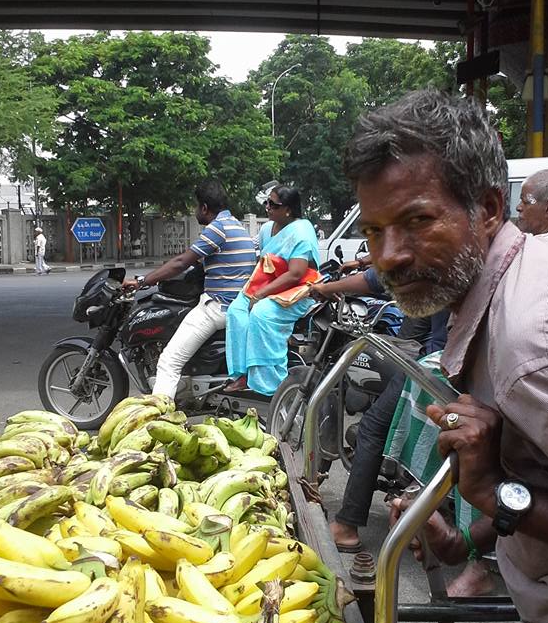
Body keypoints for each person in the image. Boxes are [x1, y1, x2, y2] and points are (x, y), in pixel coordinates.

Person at [343, 88, 548, 623]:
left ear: (486, 209)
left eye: (417, 221)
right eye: (373, 231)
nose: (389, 255)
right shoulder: (500, 291)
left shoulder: (531, 347)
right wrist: (469, 538)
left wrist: (496, 497)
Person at [312, 266, 446, 552]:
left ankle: (347, 525)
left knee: (372, 426)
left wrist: (328, 288)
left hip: (441, 365)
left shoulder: (432, 250)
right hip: (452, 354)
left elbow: (381, 277)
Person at [122, 180, 256, 400]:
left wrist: (142, 281)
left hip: (217, 308)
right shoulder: (236, 226)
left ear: (204, 207)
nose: (195, 212)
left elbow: (181, 262)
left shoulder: (217, 229)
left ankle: (157, 416)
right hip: (238, 304)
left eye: (196, 207)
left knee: (169, 361)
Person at [224, 185, 320, 395]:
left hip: (297, 288)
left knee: (262, 313)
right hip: (270, 283)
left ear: (288, 209)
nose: (267, 207)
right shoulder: (267, 228)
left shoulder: (302, 231)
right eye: (266, 202)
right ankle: (242, 374)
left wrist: (261, 294)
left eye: (273, 204)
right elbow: (263, 263)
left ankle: (269, 384)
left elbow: (295, 274)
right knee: (236, 310)